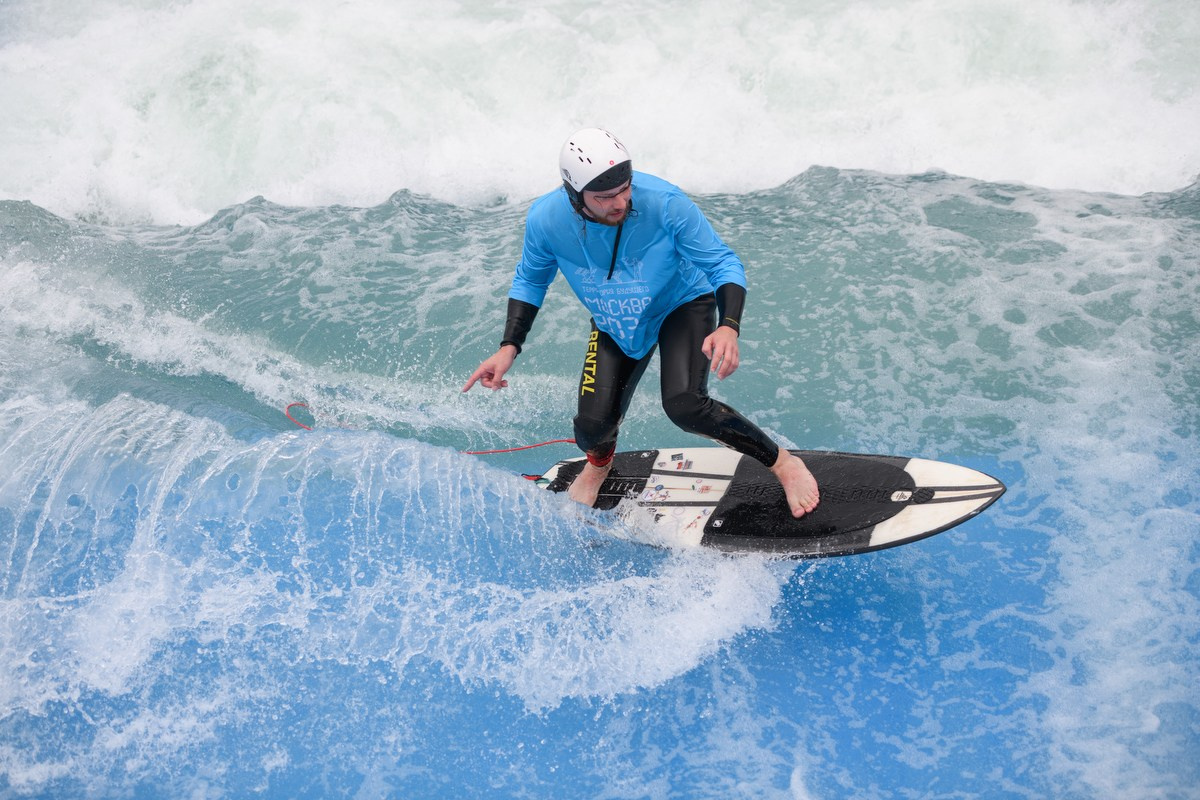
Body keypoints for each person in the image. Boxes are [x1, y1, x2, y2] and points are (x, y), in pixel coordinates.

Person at [462, 128, 819, 517]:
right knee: (591, 429)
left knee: (686, 405)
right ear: (574, 194)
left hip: (680, 304)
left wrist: (728, 325)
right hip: (615, 320)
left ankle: (784, 464)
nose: (620, 202)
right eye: (604, 197)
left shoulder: (665, 202)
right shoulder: (547, 220)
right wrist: (508, 347)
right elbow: (531, 279)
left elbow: (722, 262)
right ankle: (599, 466)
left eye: (624, 189)